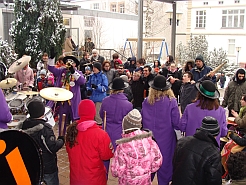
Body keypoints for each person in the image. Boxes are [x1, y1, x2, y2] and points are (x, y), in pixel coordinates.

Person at [141, 75, 180, 185]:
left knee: (148, 166)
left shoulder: (146, 102)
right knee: (165, 167)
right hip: (166, 139)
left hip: (149, 139)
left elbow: (142, 120)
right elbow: (177, 123)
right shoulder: (171, 101)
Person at [66, 99, 114, 185]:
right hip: (94, 179)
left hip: (76, 179)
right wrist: (110, 147)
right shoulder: (100, 134)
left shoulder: (71, 131)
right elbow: (106, 156)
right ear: (94, 112)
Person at [18, 100, 64, 185]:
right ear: (43, 112)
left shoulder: (24, 126)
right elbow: (52, 147)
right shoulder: (45, 129)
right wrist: (61, 140)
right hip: (47, 167)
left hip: (31, 165)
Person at [111, 109, 163, 185]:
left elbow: (116, 171)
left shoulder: (122, 147)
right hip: (145, 181)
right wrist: (146, 171)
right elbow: (157, 161)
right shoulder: (150, 141)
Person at [172, 116, 222, 185]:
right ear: (216, 134)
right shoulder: (213, 153)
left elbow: (175, 165)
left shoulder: (182, 142)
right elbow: (214, 180)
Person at [99, 77, 133, 176]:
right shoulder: (128, 105)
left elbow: (102, 115)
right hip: (120, 135)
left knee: (104, 160)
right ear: (123, 89)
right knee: (121, 163)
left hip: (106, 133)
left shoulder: (105, 101)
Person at [179, 80, 228, 145]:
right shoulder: (221, 111)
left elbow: (182, 127)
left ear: (199, 93)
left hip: (191, 147)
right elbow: (223, 132)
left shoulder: (189, 108)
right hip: (212, 149)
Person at [47, 54, 85, 135]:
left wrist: (73, 72)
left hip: (73, 101)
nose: (69, 63)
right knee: (62, 120)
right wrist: (51, 58)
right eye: (68, 62)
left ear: (75, 64)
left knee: (75, 120)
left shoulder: (78, 73)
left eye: (72, 62)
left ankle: (75, 137)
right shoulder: (61, 71)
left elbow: (82, 81)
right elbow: (51, 68)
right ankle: (61, 137)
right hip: (63, 101)